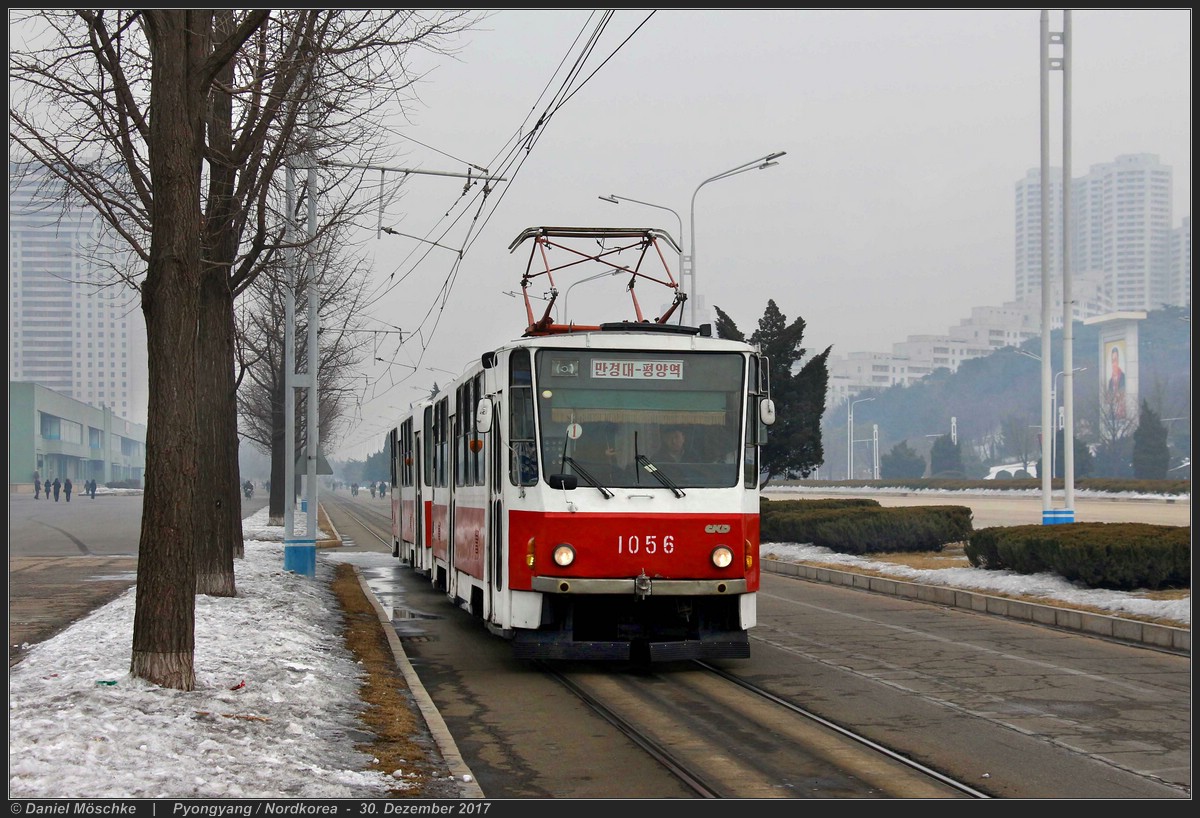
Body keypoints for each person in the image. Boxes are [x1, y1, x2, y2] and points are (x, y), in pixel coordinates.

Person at [1106, 345, 1126, 418]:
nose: (1114, 364)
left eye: (1115, 360)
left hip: (1121, 412)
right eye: (1112, 361)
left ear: (1118, 361)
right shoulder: (1110, 381)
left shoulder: (1124, 377)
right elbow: (1108, 399)